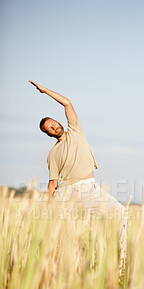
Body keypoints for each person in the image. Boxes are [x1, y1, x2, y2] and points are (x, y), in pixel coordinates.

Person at [29, 80, 125, 219]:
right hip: (66, 192)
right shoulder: (53, 154)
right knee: (61, 232)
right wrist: (49, 207)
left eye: (53, 123)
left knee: (121, 214)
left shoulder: (75, 130)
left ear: (58, 122)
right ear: (48, 134)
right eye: (49, 128)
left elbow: (67, 103)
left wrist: (45, 91)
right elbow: (53, 183)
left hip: (89, 189)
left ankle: (119, 242)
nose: (53, 127)